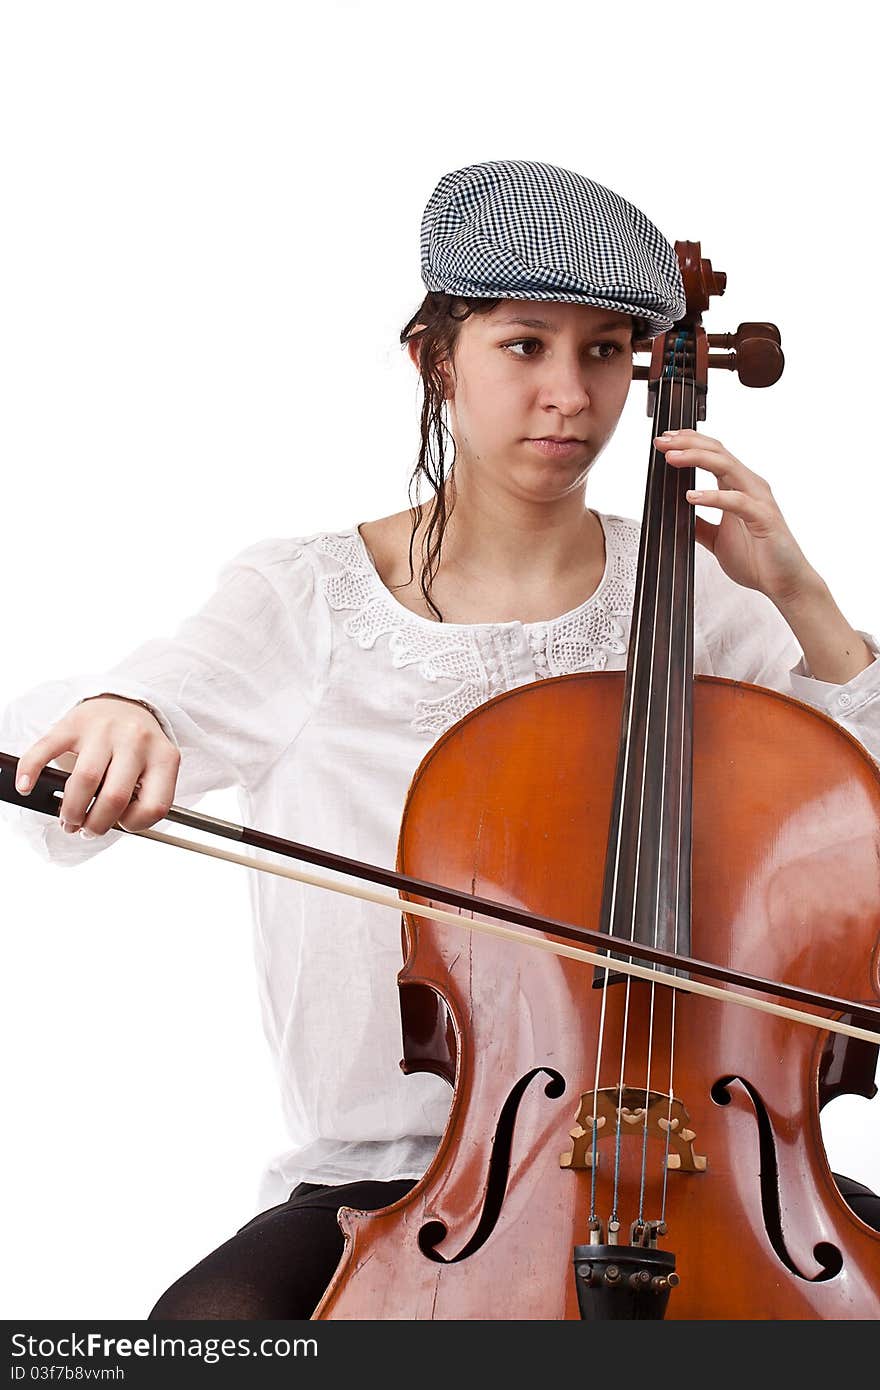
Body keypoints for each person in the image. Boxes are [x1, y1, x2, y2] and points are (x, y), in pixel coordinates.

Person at [3, 159, 880, 1319]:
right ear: (435, 358)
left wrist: (807, 604)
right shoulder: (309, 598)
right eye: (525, 346)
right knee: (198, 1340)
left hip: (718, 1164)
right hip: (392, 1185)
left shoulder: (707, 610)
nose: (569, 394)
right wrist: (129, 712)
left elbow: (856, 828)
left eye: (606, 351)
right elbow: (135, 699)